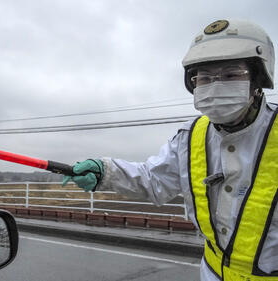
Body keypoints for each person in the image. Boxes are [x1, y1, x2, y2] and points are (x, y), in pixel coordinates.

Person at [62, 19, 277, 281]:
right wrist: (105, 172)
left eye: (232, 75)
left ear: (257, 79)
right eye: (205, 78)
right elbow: (154, 180)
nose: (215, 85)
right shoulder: (192, 136)